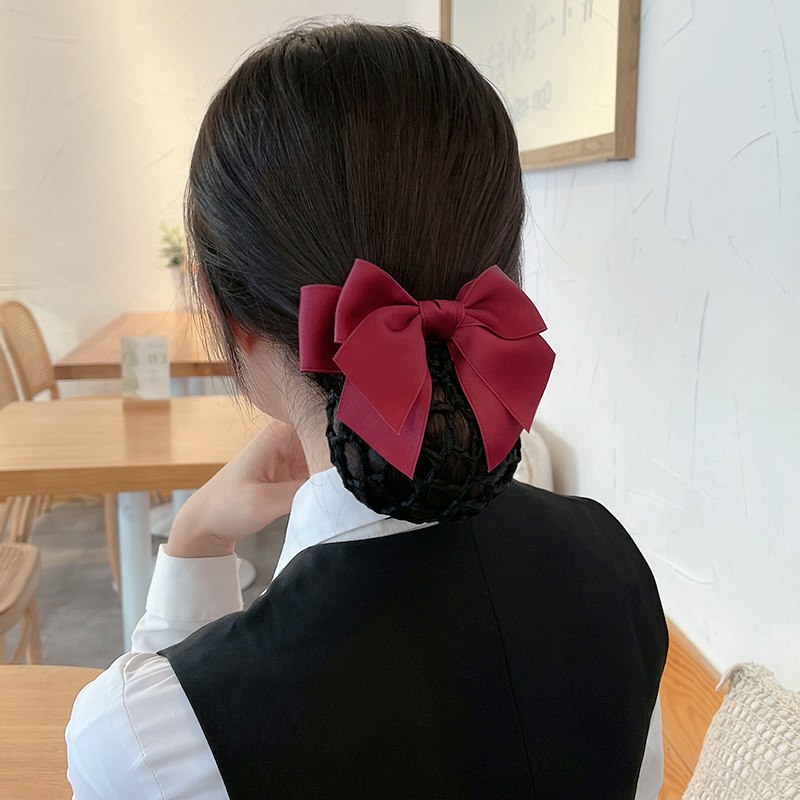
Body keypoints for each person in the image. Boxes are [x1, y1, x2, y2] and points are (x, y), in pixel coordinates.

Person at [66, 22, 668, 799]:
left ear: (228, 313)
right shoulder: (617, 569)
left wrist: (194, 541)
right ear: (504, 276)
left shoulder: (139, 734)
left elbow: (152, 750)